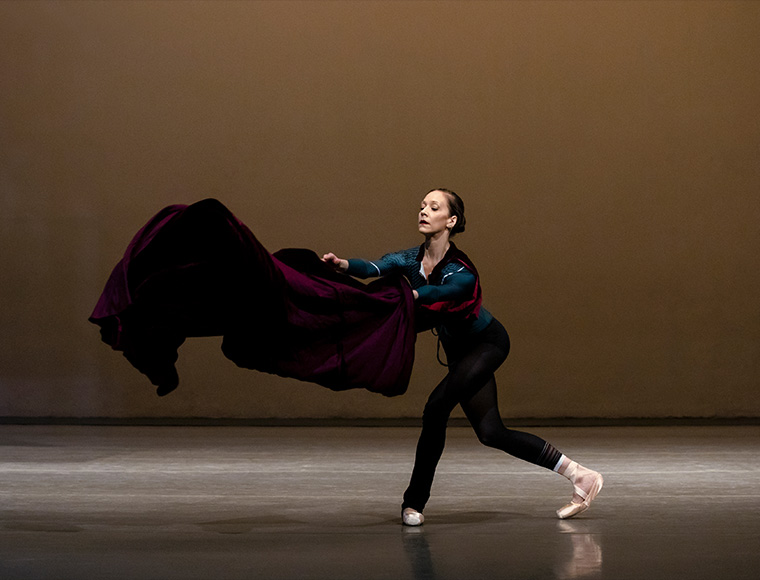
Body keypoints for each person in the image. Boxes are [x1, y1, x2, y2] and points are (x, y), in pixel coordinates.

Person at [322, 188, 603, 525]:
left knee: (436, 407)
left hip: (486, 344)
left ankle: (413, 503)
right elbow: (375, 267)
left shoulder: (462, 270)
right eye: (423, 205)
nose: (424, 211)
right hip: (460, 354)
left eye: (434, 207)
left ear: (451, 220)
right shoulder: (410, 260)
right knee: (491, 432)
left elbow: (442, 292)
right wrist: (342, 266)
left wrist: (412, 294)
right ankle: (581, 476)